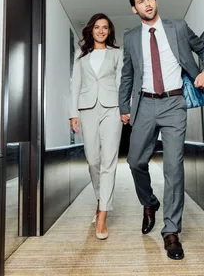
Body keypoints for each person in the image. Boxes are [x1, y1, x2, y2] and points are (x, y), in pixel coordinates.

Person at [119, 0, 204, 260]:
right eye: (141, 1)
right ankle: (149, 202)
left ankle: (171, 231)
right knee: (135, 161)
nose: (147, 4)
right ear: (134, 8)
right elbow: (127, 75)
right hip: (144, 104)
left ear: (155, 1)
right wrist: (123, 106)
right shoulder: (130, 38)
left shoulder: (177, 27)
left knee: (174, 167)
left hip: (174, 103)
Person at [69, 13, 123, 240]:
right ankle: (100, 199)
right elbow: (75, 86)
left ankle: (102, 214)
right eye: (97, 27)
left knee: (109, 161)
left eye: (105, 27)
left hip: (112, 108)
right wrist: (73, 114)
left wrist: (124, 109)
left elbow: (122, 82)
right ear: (91, 30)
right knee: (93, 160)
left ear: (109, 31)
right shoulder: (81, 57)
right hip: (87, 109)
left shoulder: (117, 54)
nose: (101, 31)